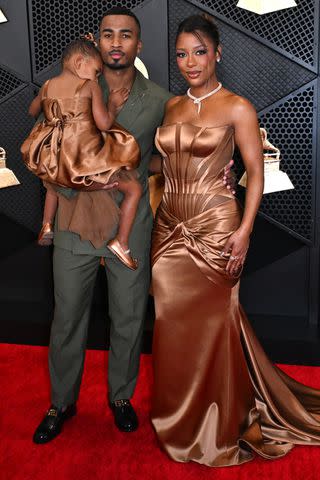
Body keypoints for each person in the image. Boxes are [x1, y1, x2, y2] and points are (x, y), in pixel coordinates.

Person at [31, 7, 233, 444]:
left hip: (130, 225)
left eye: (126, 36)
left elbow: (163, 155)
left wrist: (205, 166)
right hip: (72, 219)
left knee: (128, 317)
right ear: (96, 40)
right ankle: (60, 403)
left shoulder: (161, 100)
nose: (116, 43)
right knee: (67, 318)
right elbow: (49, 138)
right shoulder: (76, 85)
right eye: (108, 35)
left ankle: (121, 397)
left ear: (139, 46)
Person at [151, 14, 320, 467]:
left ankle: (221, 421)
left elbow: (256, 178)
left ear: (218, 53)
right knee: (172, 325)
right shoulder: (171, 108)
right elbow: (165, 167)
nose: (190, 62)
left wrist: (244, 232)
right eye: (182, 53)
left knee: (215, 324)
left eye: (199, 52)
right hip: (169, 228)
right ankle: (180, 418)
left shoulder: (238, 107)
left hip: (215, 227)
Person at [21, 37, 141, 269]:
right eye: (96, 71)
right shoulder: (89, 87)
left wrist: (54, 117)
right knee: (133, 188)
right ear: (79, 63)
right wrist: (113, 104)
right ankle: (121, 242)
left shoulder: (46, 85)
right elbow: (104, 124)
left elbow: (32, 110)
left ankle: (46, 224)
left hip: (55, 156)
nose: (96, 77)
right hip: (83, 160)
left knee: (52, 182)